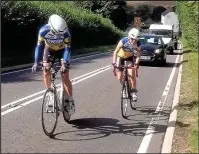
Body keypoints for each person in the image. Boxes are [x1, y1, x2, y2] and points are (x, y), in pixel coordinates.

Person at [32, 14, 75, 115]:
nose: (58, 35)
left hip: (62, 51)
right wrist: (36, 62)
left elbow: (68, 49)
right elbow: (39, 47)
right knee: (46, 70)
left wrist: (64, 62)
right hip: (49, 50)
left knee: (65, 75)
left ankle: (70, 99)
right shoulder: (43, 31)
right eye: (56, 33)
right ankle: (50, 92)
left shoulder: (66, 33)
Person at [112, 28, 141, 101]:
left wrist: (136, 63)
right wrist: (114, 63)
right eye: (132, 39)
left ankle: (134, 92)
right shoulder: (123, 41)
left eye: (135, 40)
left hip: (129, 58)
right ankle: (124, 88)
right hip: (120, 57)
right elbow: (115, 52)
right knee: (119, 77)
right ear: (128, 37)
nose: (133, 41)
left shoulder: (138, 44)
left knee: (132, 74)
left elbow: (138, 55)